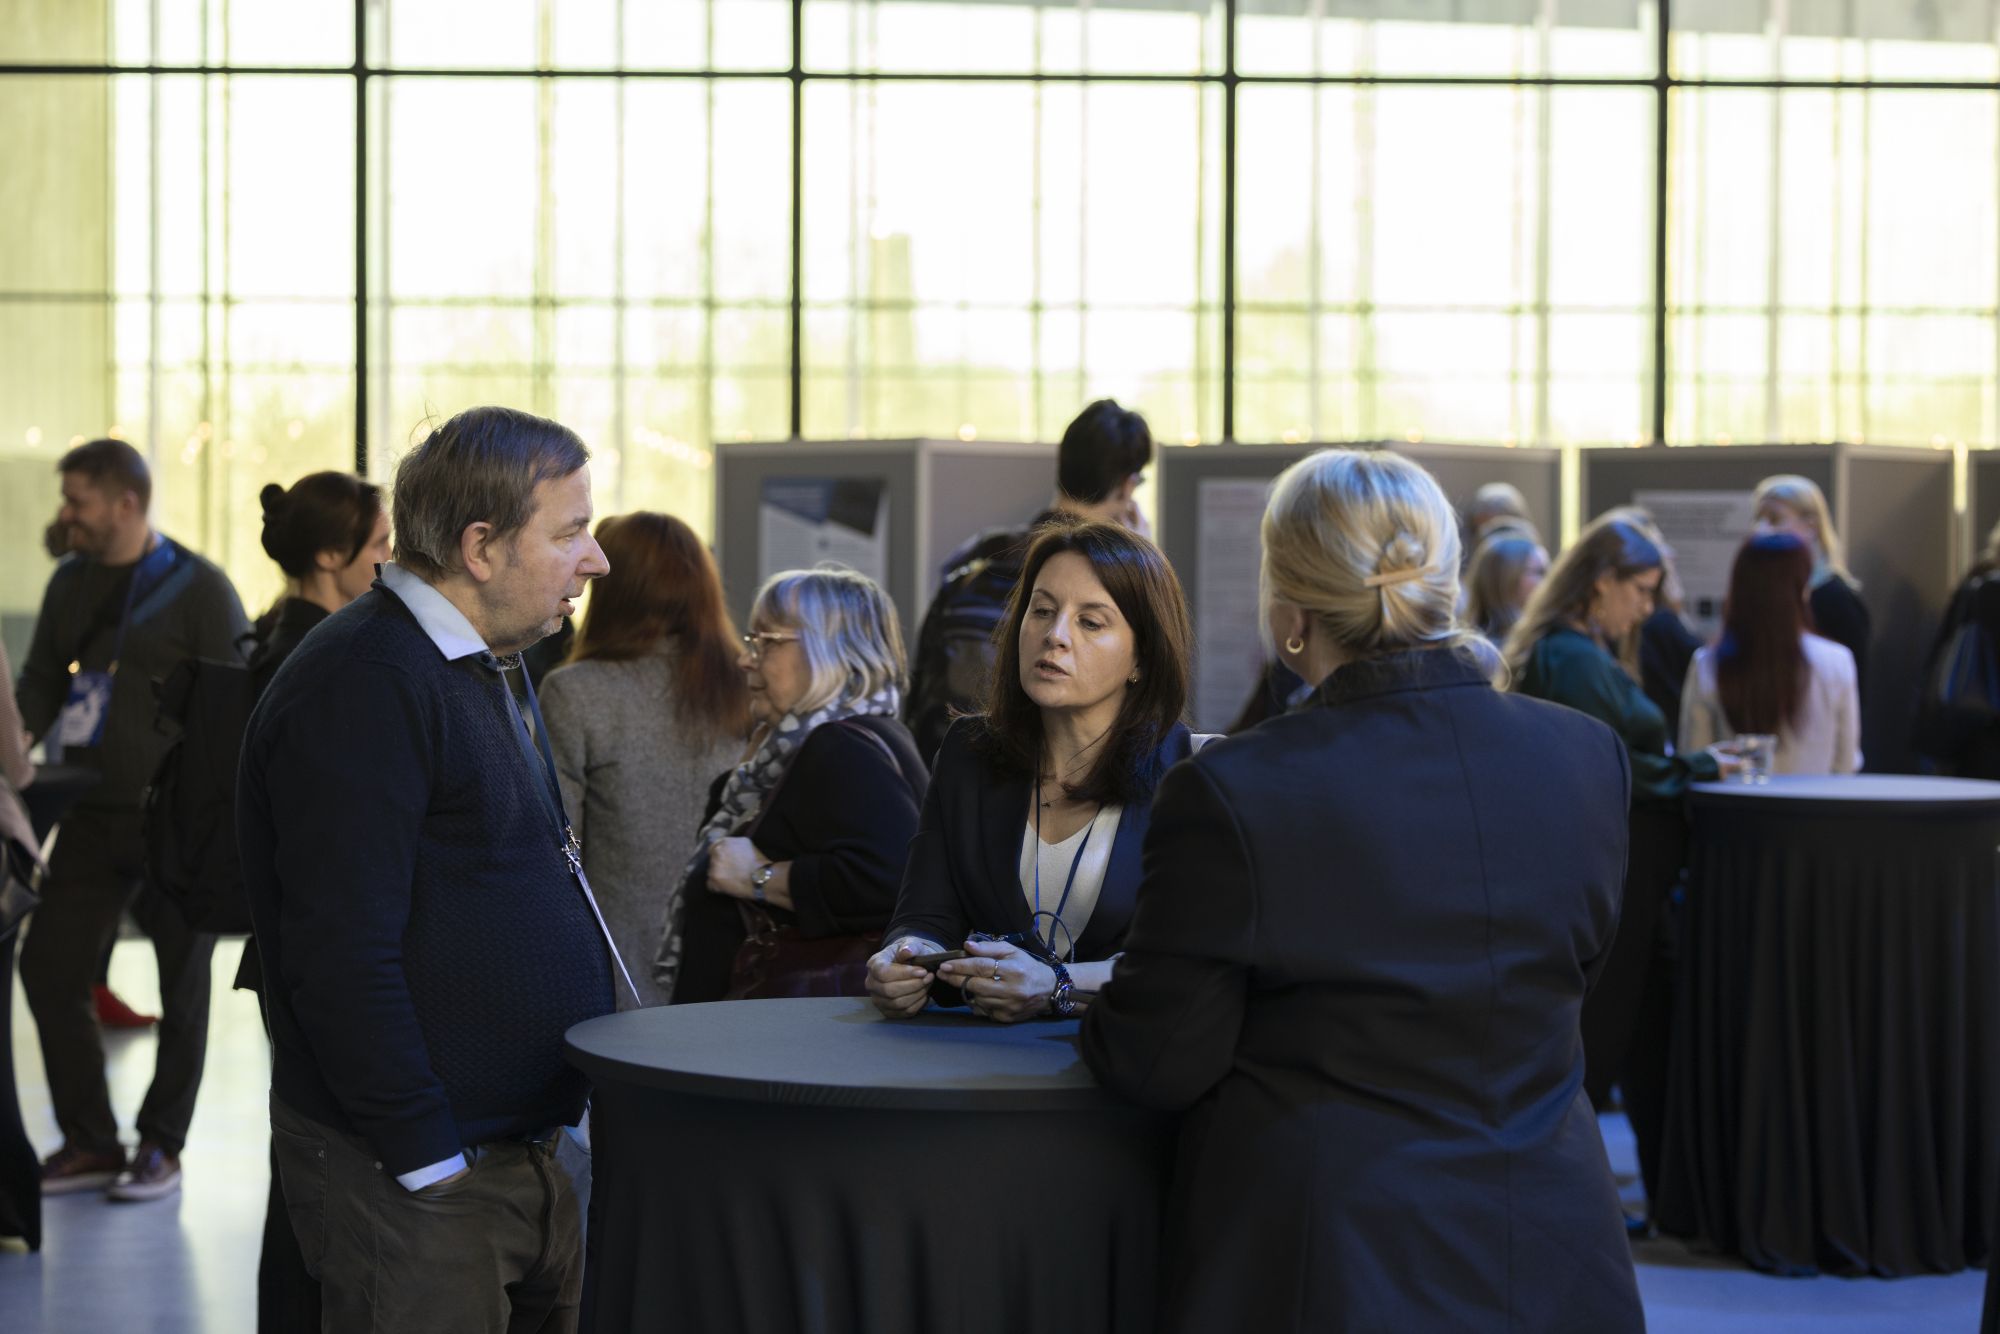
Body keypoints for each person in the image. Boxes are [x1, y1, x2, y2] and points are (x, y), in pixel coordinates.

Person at [1078, 448, 1643, 1331]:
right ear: (1445, 581)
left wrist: (1075, 995)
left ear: (1290, 612)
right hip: (1552, 1245)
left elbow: (1158, 1058)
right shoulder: (1586, 757)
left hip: (1331, 1261)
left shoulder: (1236, 791)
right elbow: (1568, 983)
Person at [238, 406, 625, 1331]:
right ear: (480, 547)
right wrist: (425, 1157)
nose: (597, 560)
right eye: (570, 532)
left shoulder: (475, 659)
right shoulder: (367, 681)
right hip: (423, 1179)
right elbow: (339, 952)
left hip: (518, 1156)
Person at [14, 438, 249, 1202]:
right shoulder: (70, 581)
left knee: (183, 985)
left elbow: (233, 705)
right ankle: (90, 1140)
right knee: (49, 965)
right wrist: (13, 752)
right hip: (86, 815)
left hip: (175, 824)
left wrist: (221, 818)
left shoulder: (200, 589)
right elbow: (42, 681)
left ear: (126, 503)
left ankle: (161, 1144)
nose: (67, 514)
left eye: (78, 500)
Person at [1505, 512, 1739, 1225]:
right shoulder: (1574, 658)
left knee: (1629, 1032)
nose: (1645, 608)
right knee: (1604, 1033)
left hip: (1610, 863)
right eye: (1639, 590)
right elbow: (1610, 763)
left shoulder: (1572, 650)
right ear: (1602, 582)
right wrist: (1697, 768)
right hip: (1613, 867)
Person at [866, 521, 1196, 1023]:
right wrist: (905, 957)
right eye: (1041, 611)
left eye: (1091, 622)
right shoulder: (968, 752)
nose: (1054, 636)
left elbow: (1189, 961)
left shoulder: (1191, 773)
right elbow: (926, 913)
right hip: (981, 1057)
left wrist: (1058, 984)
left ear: (1141, 659)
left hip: (1119, 1052)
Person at [232, 469, 390, 1332]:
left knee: (300, 1152)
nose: (391, 562)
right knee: (314, 1156)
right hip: (305, 948)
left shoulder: (273, 637)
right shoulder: (318, 663)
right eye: (380, 546)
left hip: (282, 944)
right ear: (332, 556)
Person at [669, 566, 927, 1004]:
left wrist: (758, 878)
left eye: (767, 642)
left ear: (829, 651)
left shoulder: (840, 746)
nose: (745, 659)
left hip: (783, 1026)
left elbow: (891, 880)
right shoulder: (862, 734)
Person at [541, 512, 750, 1007]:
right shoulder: (746, 685)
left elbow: (556, 851)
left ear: (615, 590)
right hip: (739, 970)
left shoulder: (577, 692)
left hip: (620, 976)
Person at [903, 399, 1154, 760]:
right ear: (1128, 486)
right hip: (1040, 769)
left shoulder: (979, 554)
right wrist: (1140, 557)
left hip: (945, 757)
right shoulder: (1118, 578)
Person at [1679, 533, 1861, 777]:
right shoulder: (1838, 661)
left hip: (1733, 801)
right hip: (1817, 801)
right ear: (1802, 589)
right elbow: (1846, 762)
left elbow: (1695, 760)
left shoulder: (1707, 663)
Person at [1753, 474, 1870, 696]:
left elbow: (1850, 690)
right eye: (1758, 519)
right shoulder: (1763, 594)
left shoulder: (1835, 599)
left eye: (1775, 519)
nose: (1762, 530)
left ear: (1811, 526)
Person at [1915, 520, 2000, 777]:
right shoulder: (1984, 590)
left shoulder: (1975, 586)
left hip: (1972, 731)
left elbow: (1939, 655)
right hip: (1980, 728)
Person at [1462, 529, 1547, 643]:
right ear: (1507, 578)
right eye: (1539, 572)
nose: (1547, 580)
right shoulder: (1481, 647)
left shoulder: (1540, 637)